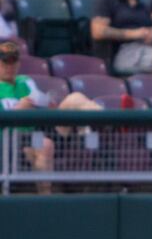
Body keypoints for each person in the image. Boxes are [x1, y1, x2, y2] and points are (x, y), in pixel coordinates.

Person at [0, 41, 103, 194]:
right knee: (45, 144)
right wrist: (18, 110)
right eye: (5, 61)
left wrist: (43, 103)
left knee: (75, 98)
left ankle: (107, 123)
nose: (10, 65)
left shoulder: (25, 81)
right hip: (10, 142)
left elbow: (46, 102)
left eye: (13, 60)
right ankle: (45, 199)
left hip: (39, 129)